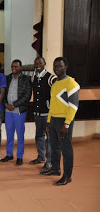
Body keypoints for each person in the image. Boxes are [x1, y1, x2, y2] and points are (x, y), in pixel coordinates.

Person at [40, 57, 80, 186]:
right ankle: (56, 169)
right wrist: (49, 121)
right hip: (54, 120)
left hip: (64, 121)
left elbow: (73, 106)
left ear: (66, 67)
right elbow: (52, 104)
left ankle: (67, 176)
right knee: (55, 147)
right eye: (55, 66)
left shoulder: (71, 84)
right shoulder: (55, 84)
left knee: (66, 149)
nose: (57, 68)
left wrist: (67, 124)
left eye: (59, 66)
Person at [0, 59, 32, 166]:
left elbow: (27, 95)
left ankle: (19, 156)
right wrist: (5, 104)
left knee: (20, 134)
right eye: (12, 66)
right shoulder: (7, 78)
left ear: (21, 68)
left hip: (19, 111)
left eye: (16, 66)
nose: (14, 68)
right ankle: (9, 154)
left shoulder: (26, 79)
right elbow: (3, 93)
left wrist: (14, 105)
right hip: (8, 111)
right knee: (9, 134)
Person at [30, 57, 57, 171]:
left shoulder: (51, 78)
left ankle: (49, 162)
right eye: (36, 63)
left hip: (47, 114)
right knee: (39, 136)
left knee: (49, 138)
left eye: (40, 63)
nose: (38, 65)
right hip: (37, 113)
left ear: (44, 64)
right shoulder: (33, 78)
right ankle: (40, 157)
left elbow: (56, 96)